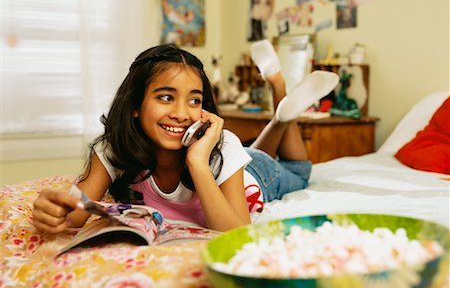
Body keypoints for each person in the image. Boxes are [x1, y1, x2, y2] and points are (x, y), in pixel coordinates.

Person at [32, 41, 338, 234]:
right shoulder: (114, 146)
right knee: (253, 149)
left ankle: (279, 89)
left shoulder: (221, 145)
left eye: (194, 101)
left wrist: (198, 163)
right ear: (135, 105)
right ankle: (281, 114)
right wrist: (56, 211)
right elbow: (78, 208)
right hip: (237, 159)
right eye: (166, 97)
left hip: (255, 176)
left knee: (298, 170)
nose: (182, 113)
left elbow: (237, 232)